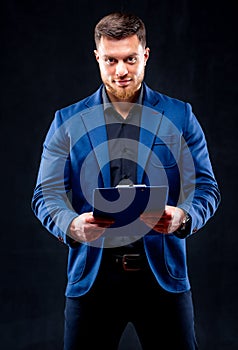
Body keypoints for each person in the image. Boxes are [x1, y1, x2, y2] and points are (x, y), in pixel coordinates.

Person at [31, 12, 221, 350]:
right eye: (111, 60)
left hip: (163, 277)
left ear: (145, 55)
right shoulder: (67, 120)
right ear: (97, 58)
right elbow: (47, 195)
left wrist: (183, 217)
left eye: (130, 59)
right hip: (92, 277)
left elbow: (205, 187)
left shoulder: (180, 116)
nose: (121, 71)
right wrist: (71, 225)